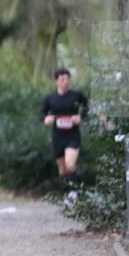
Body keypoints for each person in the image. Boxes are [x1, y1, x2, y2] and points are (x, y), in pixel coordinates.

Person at [40, 68, 89, 196]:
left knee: (70, 163)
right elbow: (42, 113)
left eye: (67, 79)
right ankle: (69, 191)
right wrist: (46, 119)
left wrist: (80, 116)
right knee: (62, 170)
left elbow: (87, 106)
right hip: (58, 137)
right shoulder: (50, 98)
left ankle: (74, 194)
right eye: (62, 80)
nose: (65, 82)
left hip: (72, 135)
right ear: (56, 81)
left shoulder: (76, 95)